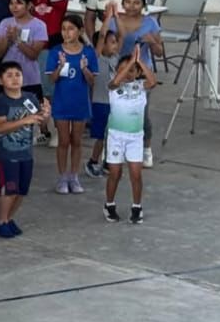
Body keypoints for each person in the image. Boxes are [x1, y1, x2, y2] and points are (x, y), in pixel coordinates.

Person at [0, 64, 46, 239]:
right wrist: (25, 121)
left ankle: (8, 218)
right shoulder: (1, 102)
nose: (15, 78)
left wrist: (45, 114)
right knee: (9, 190)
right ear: (0, 81)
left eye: (18, 74)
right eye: (9, 75)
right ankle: (1, 220)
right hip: (7, 155)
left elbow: (39, 120)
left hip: (26, 153)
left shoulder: (30, 98)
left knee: (21, 191)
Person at [44, 15, 97, 195]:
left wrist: (84, 68)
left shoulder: (88, 52)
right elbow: (52, 79)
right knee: (63, 141)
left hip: (80, 103)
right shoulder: (56, 51)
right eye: (64, 29)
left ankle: (74, 176)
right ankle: (62, 177)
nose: (66, 33)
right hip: (62, 102)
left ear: (80, 31)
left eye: (71, 29)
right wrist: (60, 66)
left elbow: (92, 81)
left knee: (76, 140)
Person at [103, 53, 155, 225]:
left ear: (138, 73)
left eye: (132, 70)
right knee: (115, 173)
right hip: (116, 136)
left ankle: (137, 207)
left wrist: (139, 62)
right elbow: (115, 82)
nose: (127, 73)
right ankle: (109, 204)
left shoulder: (141, 86)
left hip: (135, 137)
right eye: (123, 70)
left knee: (136, 174)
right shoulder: (113, 86)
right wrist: (131, 62)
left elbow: (152, 81)